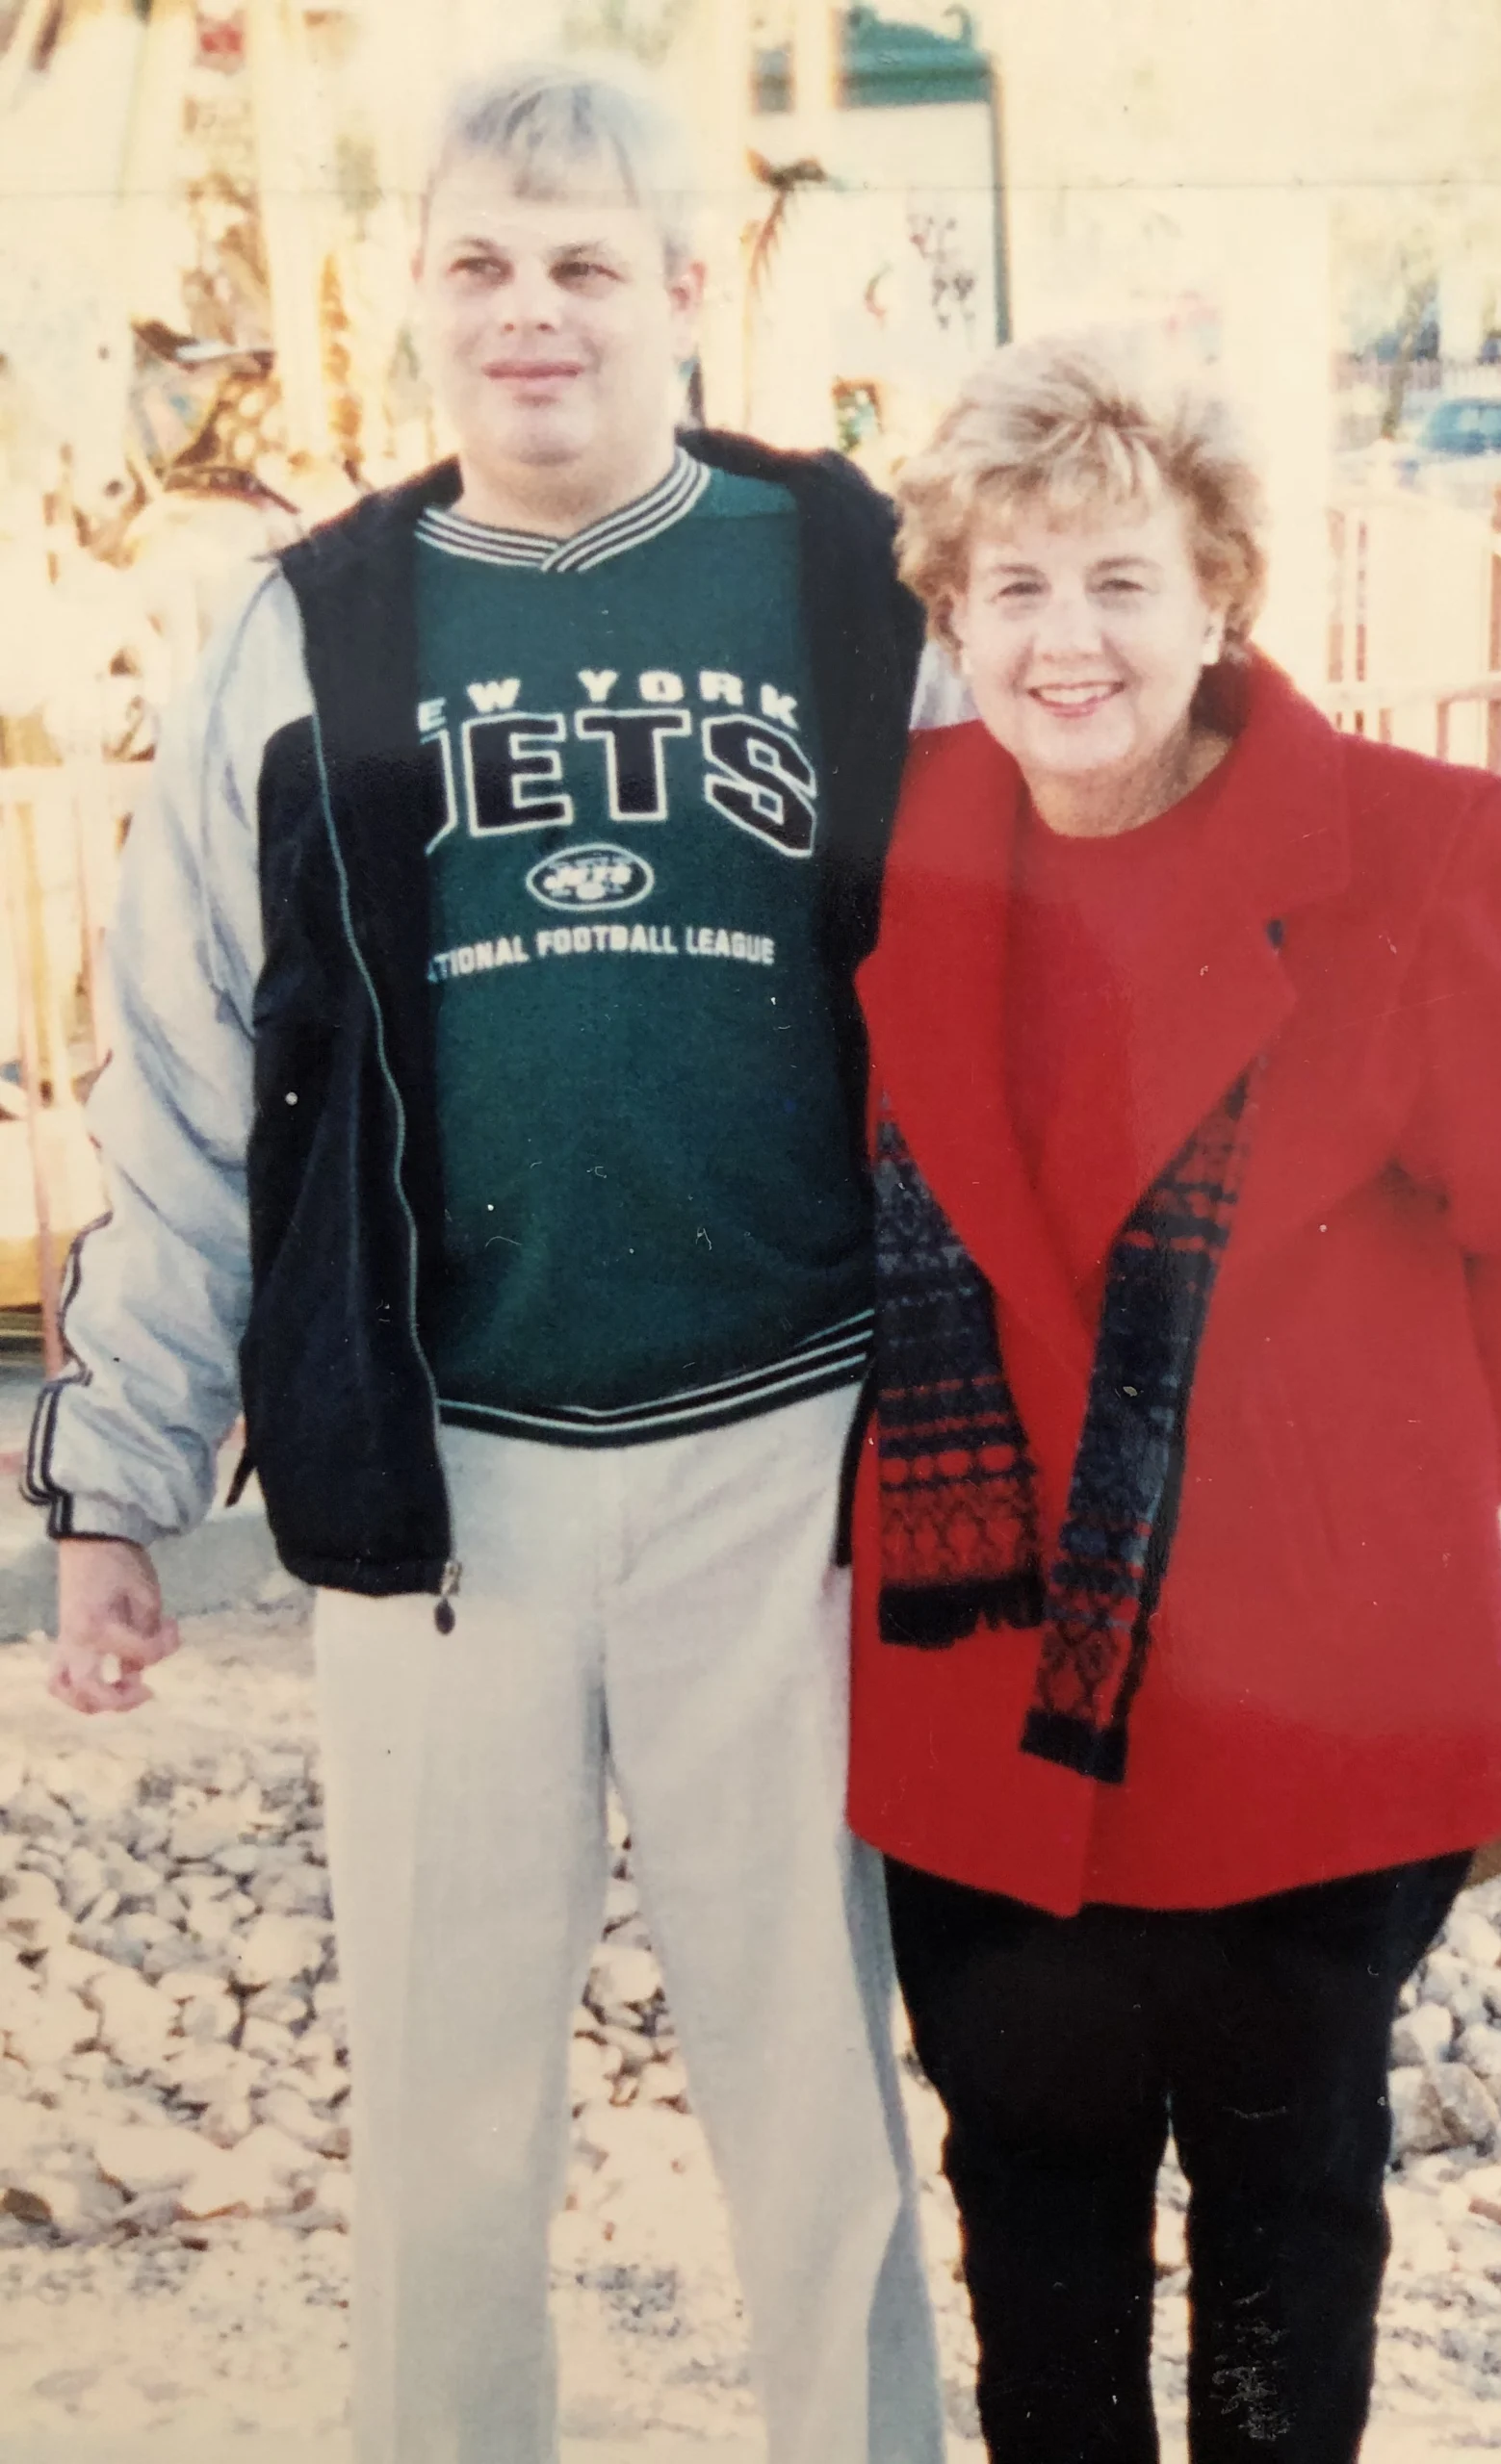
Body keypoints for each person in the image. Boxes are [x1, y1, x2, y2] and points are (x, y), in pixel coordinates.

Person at [24, 61, 945, 2464]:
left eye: (582, 262)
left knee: (821, 2107)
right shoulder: (303, 627)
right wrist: (114, 1480)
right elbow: (187, 1064)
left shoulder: (852, 573)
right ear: (415, 294)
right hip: (444, 1478)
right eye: (478, 262)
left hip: (790, 1442)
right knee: (445, 2114)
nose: (530, 312)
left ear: (682, 287)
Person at [844, 331, 1501, 2463]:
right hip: (986, 1697)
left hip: (1318, 1704)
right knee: (1034, 2227)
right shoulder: (893, 846)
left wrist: (1358, 1501)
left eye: (1120, 578)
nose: (1068, 638)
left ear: (1220, 596)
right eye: (1011, 588)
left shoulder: (1410, 846)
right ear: (952, 620)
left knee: (1291, 2227)